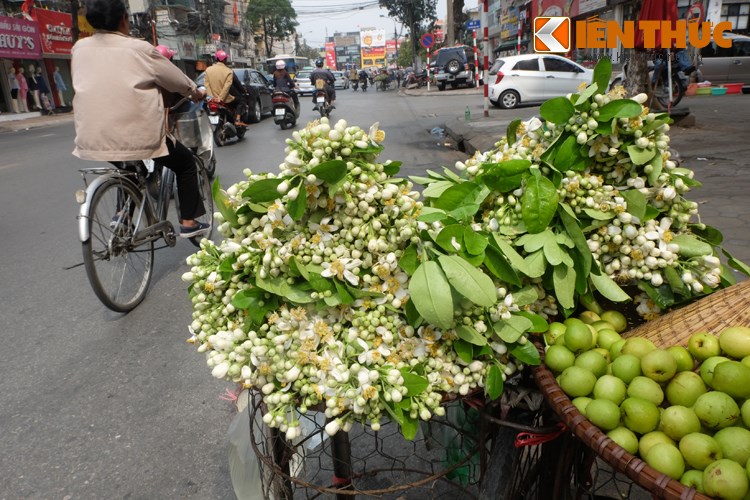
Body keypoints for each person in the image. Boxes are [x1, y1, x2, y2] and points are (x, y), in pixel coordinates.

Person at [71, 0, 209, 238]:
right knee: (185, 164)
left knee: (129, 168)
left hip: (91, 136)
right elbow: (176, 80)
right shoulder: (139, 49)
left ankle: (123, 217)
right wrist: (195, 91)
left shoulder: (79, 48)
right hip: (138, 135)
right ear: (124, 20)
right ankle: (188, 221)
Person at [204, 49, 248, 127]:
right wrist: (220, 98)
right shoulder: (228, 71)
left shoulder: (208, 70)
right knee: (241, 100)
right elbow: (227, 86)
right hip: (225, 99)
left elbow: (207, 85)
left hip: (212, 100)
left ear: (216, 59)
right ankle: (237, 120)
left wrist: (211, 97)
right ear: (225, 60)